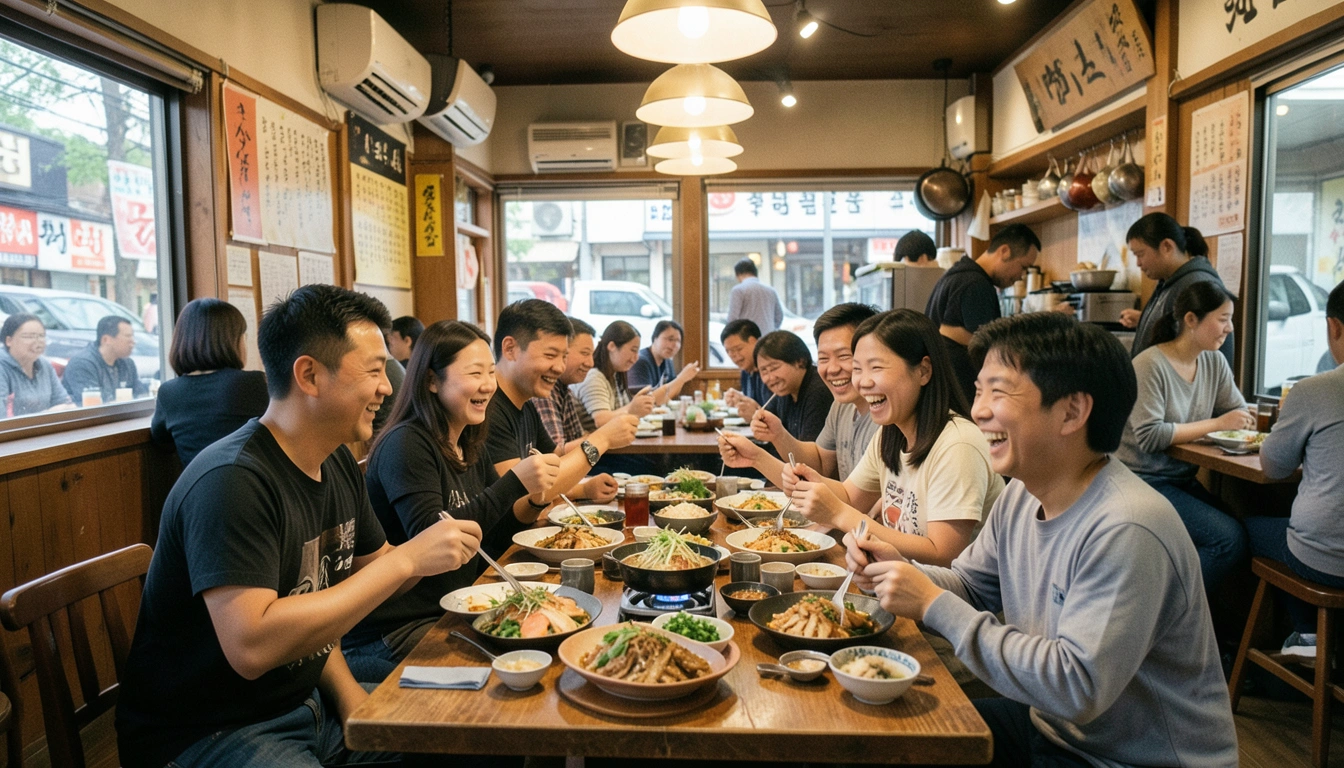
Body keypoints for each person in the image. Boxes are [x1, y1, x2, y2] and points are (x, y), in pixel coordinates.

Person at [116, 285, 486, 768]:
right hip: (207, 733)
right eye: (374, 370)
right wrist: (408, 558)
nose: (388, 387)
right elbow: (253, 644)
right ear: (309, 375)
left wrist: (352, 697)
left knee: (477, 733)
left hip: (307, 704)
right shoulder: (232, 481)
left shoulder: (331, 461)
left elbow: (325, 600)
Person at [847, 312, 1237, 766]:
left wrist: (932, 603)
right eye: (978, 391)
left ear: (1071, 411)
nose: (978, 410)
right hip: (1053, 727)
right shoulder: (1021, 496)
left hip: (1127, 757)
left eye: (999, 391)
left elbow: (1077, 688)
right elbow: (972, 587)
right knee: (883, 738)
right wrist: (898, 570)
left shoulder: (1127, 526)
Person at [343, 321, 562, 683]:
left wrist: (535, 500)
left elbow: (496, 531)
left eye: (490, 372)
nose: (488, 385)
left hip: (456, 608)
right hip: (396, 629)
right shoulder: (407, 444)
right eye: (474, 373)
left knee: (545, 645)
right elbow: (433, 541)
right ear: (431, 380)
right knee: (515, 674)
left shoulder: (468, 439)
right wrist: (513, 483)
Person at [785, 309, 1003, 565]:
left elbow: (944, 554)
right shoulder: (890, 434)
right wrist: (812, 483)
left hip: (950, 600)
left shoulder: (958, 444)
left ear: (923, 370)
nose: (862, 382)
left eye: (876, 367)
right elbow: (848, 495)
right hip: (897, 588)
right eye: (857, 369)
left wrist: (840, 515)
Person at [1115, 281, 1252, 591]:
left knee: (1238, 527)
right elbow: (1151, 436)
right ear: (1191, 320)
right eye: (1223, 318)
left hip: (1179, 479)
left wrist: (1228, 421)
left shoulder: (1213, 361)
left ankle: (1183, 616)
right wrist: (1217, 424)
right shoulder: (1150, 365)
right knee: (1227, 540)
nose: (1229, 328)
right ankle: (1162, 610)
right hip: (1139, 478)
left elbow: (1238, 412)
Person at [1248, 278, 1344, 661]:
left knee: (1251, 527)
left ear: (1333, 327)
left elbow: (1273, 467)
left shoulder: (1315, 389)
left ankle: (1309, 636)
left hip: (1327, 562)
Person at [486, 299, 638, 504]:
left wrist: (584, 489)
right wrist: (602, 439)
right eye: (550, 355)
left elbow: (556, 458)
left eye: (564, 357)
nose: (559, 367)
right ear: (510, 348)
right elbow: (520, 498)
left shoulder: (526, 404)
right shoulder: (488, 408)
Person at [718, 303, 880, 488]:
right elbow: (819, 465)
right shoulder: (841, 405)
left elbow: (848, 496)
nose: (832, 369)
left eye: (843, 356)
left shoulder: (887, 417)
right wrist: (775, 436)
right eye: (824, 358)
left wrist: (757, 457)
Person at [925, 223, 1040, 404]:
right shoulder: (976, 285)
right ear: (1004, 251)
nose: (1021, 276)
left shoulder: (955, 276)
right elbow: (988, 347)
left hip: (942, 394)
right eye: (1023, 267)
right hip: (959, 396)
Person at [150, 298, 268, 466]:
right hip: (253, 486)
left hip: (197, 489)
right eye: (243, 336)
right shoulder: (252, 383)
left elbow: (162, 441)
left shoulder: (168, 393)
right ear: (232, 341)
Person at [1122, 212, 1234, 364]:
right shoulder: (1170, 281)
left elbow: (1206, 359)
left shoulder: (1195, 284)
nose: (1138, 263)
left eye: (1140, 254)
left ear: (1167, 246)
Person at [752, 330, 833, 443]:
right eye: (764, 371)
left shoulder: (819, 392)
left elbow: (811, 455)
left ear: (800, 362)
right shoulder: (783, 391)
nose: (770, 378)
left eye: (774, 368)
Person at [533, 317, 598, 453]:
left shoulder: (564, 389)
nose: (591, 363)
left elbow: (579, 440)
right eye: (585, 353)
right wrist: (603, 438)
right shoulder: (544, 391)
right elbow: (556, 454)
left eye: (592, 355)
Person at [61, 314, 148, 404]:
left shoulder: (127, 364)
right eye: (128, 336)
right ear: (106, 339)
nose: (133, 341)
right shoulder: (82, 364)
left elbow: (141, 396)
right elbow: (92, 406)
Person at [0, 314, 73, 417]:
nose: (37, 342)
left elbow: (64, 403)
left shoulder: (44, 364)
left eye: (41, 336)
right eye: (29, 337)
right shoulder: (2, 367)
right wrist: (47, 415)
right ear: (9, 341)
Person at [627, 319, 700, 397]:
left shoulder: (668, 362)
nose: (674, 345)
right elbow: (644, 399)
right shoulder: (640, 361)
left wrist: (683, 379)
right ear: (655, 338)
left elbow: (672, 394)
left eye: (678, 341)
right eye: (670, 339)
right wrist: (681, 378)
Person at [721, 319, 767, 420]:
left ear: (755, 342)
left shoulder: (770, 373)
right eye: (728, 351)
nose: (733, 355)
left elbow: (779, 418)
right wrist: (740, 400)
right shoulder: (746, 372)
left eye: (738, 349)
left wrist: (756, 415)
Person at [727, 257, 783, 336]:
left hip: (747, 338)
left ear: (738, 274)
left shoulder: (738, 290)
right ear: (755, 273)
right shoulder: (771, 291)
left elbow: (732, 319)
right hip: (768, 338)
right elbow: (779, 317)